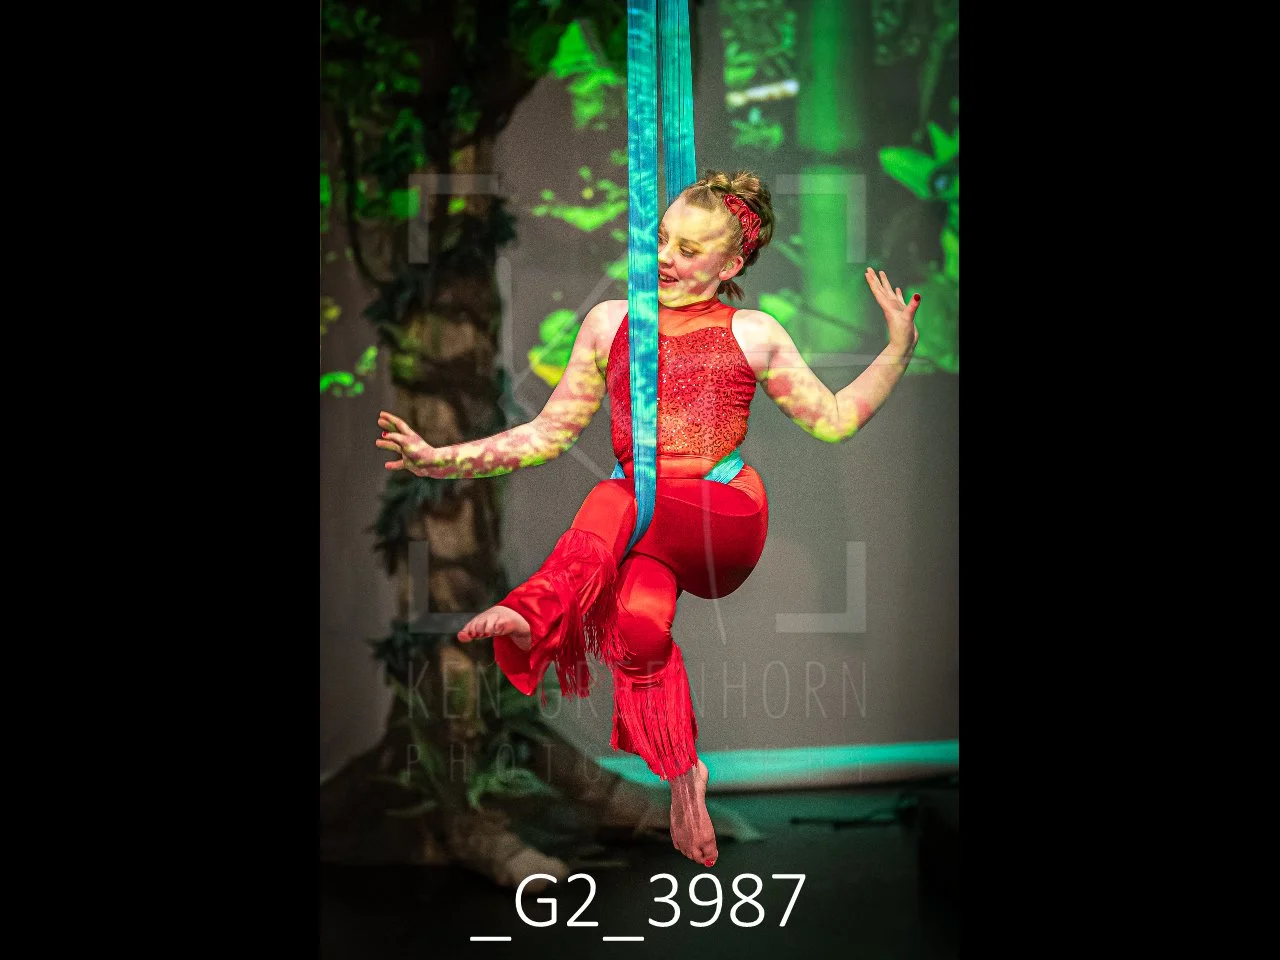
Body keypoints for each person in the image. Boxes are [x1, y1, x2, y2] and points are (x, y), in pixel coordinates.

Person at [375, 169, 920, 870]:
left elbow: (836, 419)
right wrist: (438, 459)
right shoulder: (611, 323)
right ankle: (684, 775)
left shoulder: (753, 332)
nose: (664, 257)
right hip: (644, 527)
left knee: (621, 493)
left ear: (731, 265)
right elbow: (546, 434)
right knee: (637, 628)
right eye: (661, 239)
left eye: (689, 250)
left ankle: (537, 609)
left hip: (724, 517)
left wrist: (897, 349)